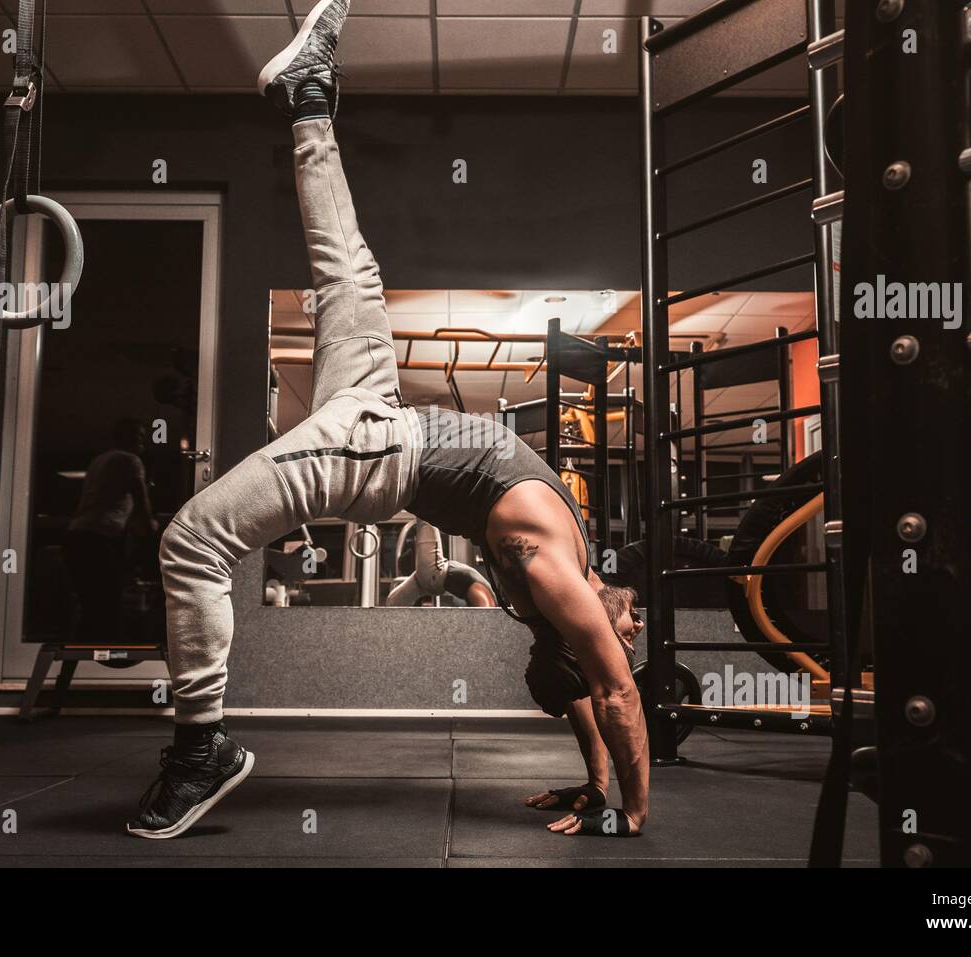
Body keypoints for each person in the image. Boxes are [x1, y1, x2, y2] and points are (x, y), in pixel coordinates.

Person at [128, 0, 649, 841]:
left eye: (625, 631)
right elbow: (595, 693)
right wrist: (596, 788)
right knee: (348, 267)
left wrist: (633, 812)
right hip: (378, 409)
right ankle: (307, 98)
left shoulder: (560, 585)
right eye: (629, 624)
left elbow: (614, 690)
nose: (628, 627)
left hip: (376, 450)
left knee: (192, 540)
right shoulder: (569, 583)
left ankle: (200, 750)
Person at [65, 418, 159, 645]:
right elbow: (140, 498)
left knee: (91, 603)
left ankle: (77, 663)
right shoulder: (130, 460)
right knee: (109, 602)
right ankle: (110, 658)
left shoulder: (100, 460)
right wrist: (150, 529)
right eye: (137, 437)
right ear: (122, 438)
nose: (142, 442)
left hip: (77, 534)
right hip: (100, 538)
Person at [386, 521, 496, 607]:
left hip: (434, 580)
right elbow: (483, 614)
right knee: (393, 602)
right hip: (437, 571)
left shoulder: (490, 602)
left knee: (392, 605)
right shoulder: (487, 601)